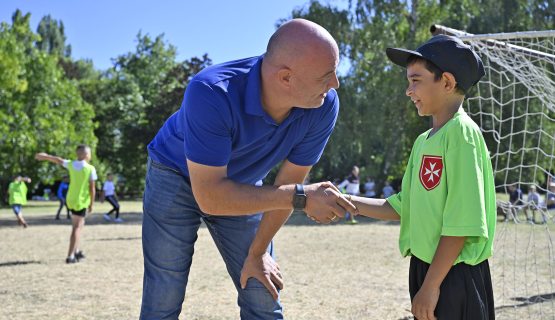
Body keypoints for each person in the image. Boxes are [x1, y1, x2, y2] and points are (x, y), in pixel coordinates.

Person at [141, 18, 355, 319]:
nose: (335, 84)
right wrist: (302, 197)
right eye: (326, 75)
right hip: (173, 175)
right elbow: (212, 197)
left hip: (243, 183)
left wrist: (257, 254)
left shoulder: (322, 104)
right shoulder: (211, 92)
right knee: (164, 294)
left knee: (262, 291)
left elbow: (289, 184)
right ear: (285, 78)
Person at [343, 35, 496, 319]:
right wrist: (346, 201)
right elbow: (401, 206)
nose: (408, 91)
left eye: (416, 80)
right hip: (426, 269)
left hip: (453, 275)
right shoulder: (423, 141)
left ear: (447, 83)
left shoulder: (462, 134)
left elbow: (462, 224)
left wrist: (431, 286)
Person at [35, 145, 97, 264]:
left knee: (79, 225)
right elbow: (92, 189)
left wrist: (45, 157)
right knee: (77, 228)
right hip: (81, 201)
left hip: (71, 199)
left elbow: (58, 159)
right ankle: (70, 256)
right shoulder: (90, 168)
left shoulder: (72, 164)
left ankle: (76, 250)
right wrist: (91, 204)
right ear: (86, 155)